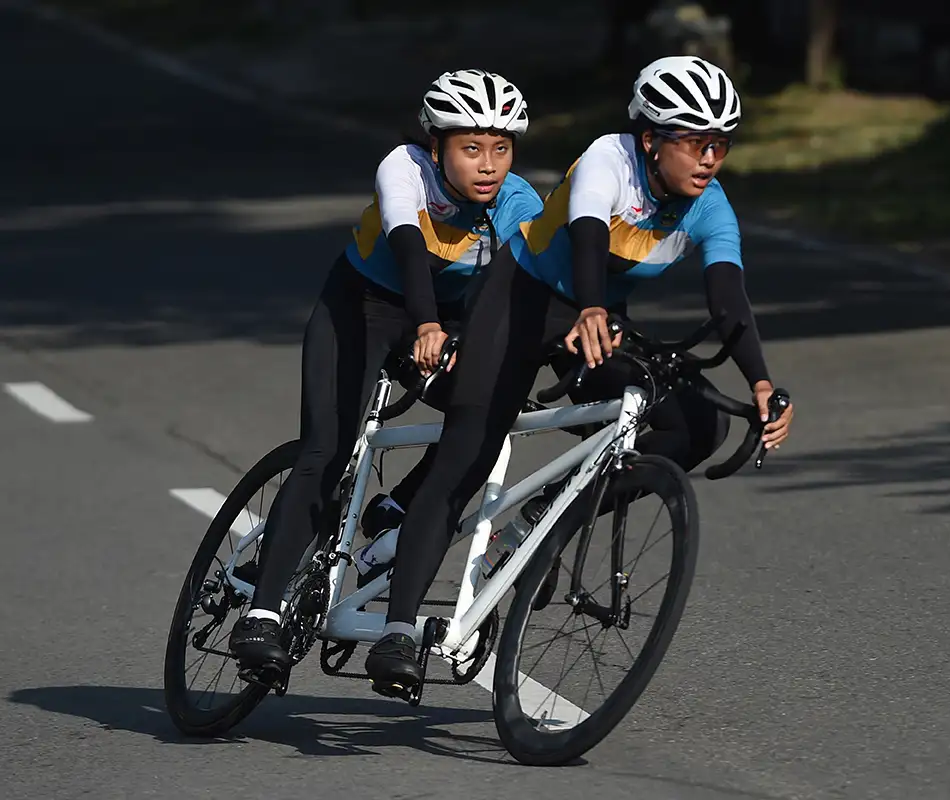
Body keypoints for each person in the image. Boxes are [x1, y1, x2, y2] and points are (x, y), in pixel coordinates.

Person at [363, 55, 794, 693]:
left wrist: (759, 381)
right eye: (696, 142)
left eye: (720, 145)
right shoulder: (608, 158)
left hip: (595, 314)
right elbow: (588, 231)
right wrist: (591, 306)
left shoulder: (711, 206)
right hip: (523, 298)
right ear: (651, 139)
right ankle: (398, 634)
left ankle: (540, 519)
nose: (709, 158)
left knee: (692, 424)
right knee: (470, 452)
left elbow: (728, 299)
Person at [228, 69, 543, 672]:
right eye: (471, 147)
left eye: (501, 149)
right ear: (437, 147)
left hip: (441, 321)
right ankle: (261, 615)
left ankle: (397, 511)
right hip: (363, 307)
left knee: (485, 414)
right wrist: (427, 324)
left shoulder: (518, 201)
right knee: (329, 447)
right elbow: (407, 246)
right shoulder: (405, 168)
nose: (488, 164)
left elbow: (524, 283)